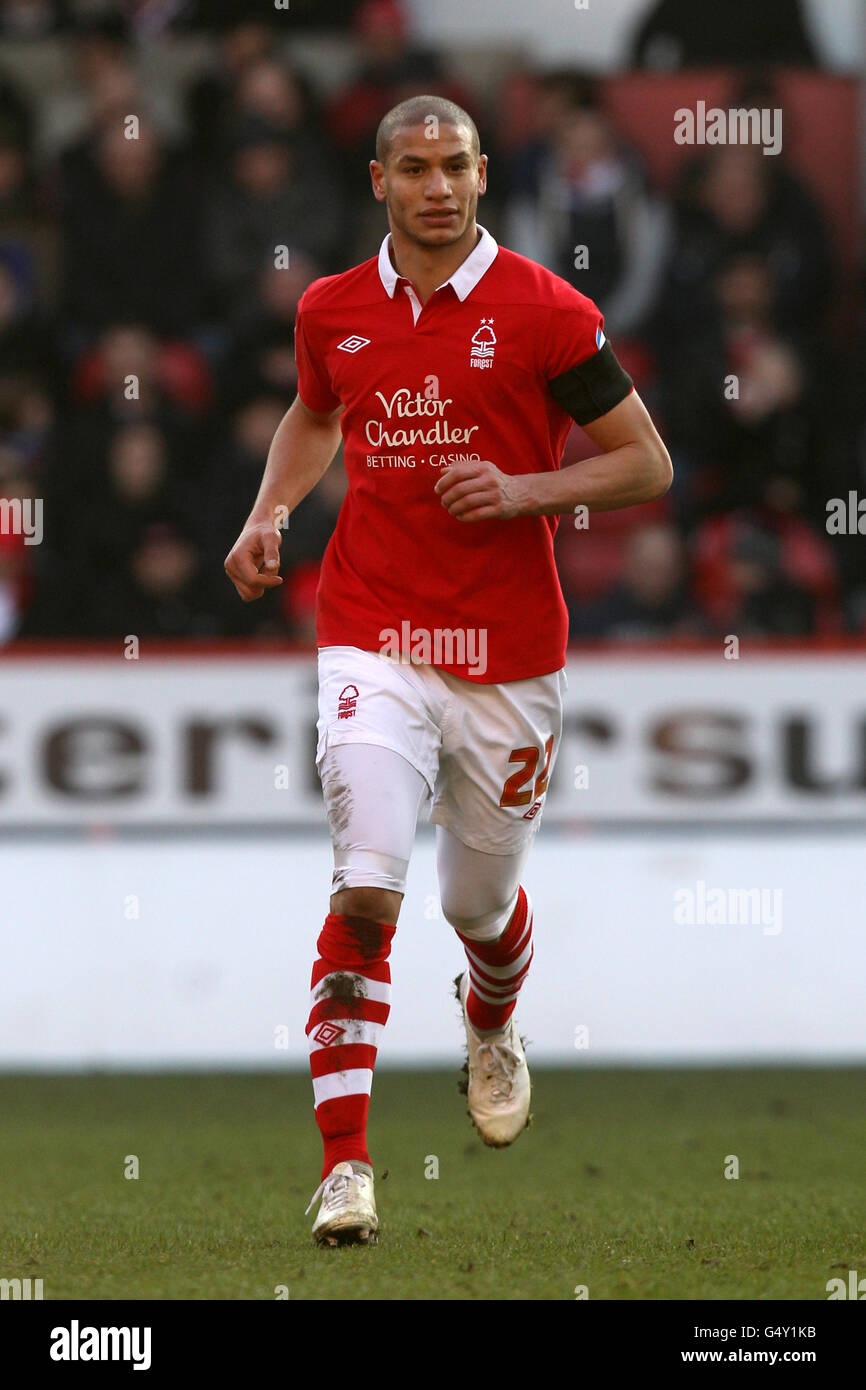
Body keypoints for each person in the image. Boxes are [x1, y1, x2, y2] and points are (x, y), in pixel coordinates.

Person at [224, 94, 672, 1247]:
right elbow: (315, 415)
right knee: (367, 890)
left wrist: (525, 490)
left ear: (482, 176)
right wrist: (270, 511)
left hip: (507, 657)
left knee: (475, 901)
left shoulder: (546, 312)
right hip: (373, 628)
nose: (436, 186)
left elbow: (644, 463)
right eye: (412, 167)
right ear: (378, 181)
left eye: (455, 166)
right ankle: (343, 1168)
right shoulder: (331, 310)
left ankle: (491, 1017)